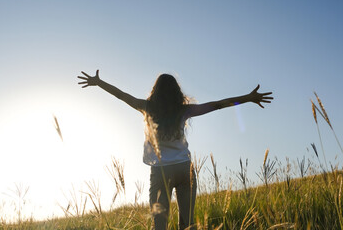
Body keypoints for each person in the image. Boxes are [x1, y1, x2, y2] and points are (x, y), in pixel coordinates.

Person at [77, 70, 273, 229]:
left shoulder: (146, 107)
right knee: (187, 224)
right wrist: (247, 98)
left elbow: (121, 95)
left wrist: (99, 82)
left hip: (161, 170)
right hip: (184, 170)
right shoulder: (184, 110)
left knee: (159, 225)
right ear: (176, 92)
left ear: (155, 91)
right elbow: (217, 105)